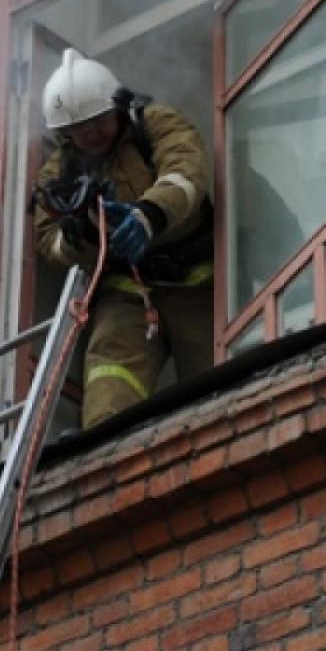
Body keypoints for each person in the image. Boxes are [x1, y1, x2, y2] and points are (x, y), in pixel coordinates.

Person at [32, 48, 214, 429]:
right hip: (125, 288)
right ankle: (103, 454)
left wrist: (149, 215)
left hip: (194, 279)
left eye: (97, 120)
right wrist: (79, 235)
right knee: (110, 373)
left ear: (117, 105)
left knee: (212, 381)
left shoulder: (158, 124)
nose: (90, 133)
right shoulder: (59, 172)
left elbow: (186, 172)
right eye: (78, 128)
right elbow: (48, 242)